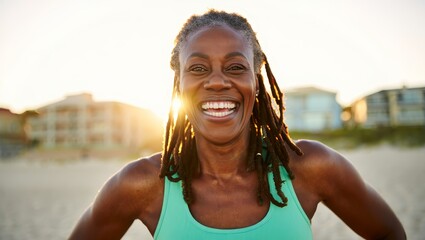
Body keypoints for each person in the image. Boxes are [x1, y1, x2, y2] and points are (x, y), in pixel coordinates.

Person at [69, 9, 406, 239]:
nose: (217, 82)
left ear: (256, 83)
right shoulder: (142, 184)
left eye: (235, 67)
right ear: (179, 85)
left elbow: (388, 233)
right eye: (198, 69)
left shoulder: (310, 168)